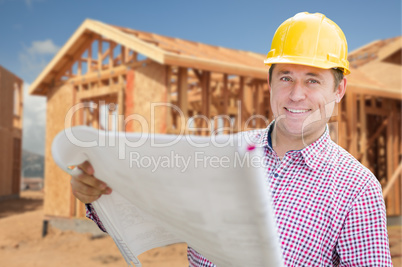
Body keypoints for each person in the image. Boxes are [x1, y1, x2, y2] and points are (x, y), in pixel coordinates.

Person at [71, 12, 392, 266]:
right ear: (270, 84)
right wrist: (97, 195)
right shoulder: (222, 153)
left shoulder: (356, 189)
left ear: (339, 89)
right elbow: (147, 214)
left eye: (312, 80)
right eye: (285, 78)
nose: (296, 95)